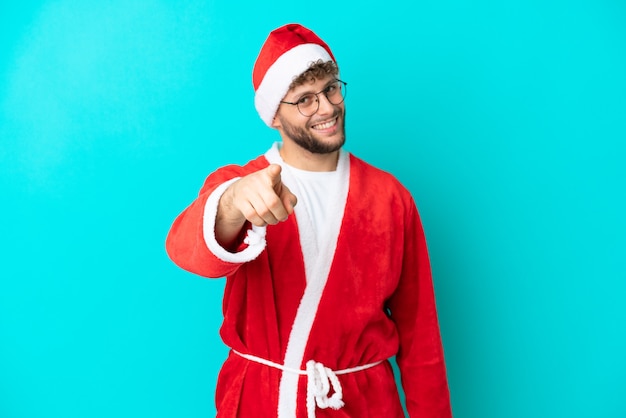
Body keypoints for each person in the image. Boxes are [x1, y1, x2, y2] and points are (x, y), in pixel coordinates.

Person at [166, 23, 452, 418]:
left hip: (365, 405)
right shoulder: (239, 185)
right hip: (260, 402)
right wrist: (231, 203)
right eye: (304, 99)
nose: (327, 107)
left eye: (331, 88)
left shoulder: (391, 199)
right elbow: (185, 248)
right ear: (274, 117)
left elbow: (421, 339)